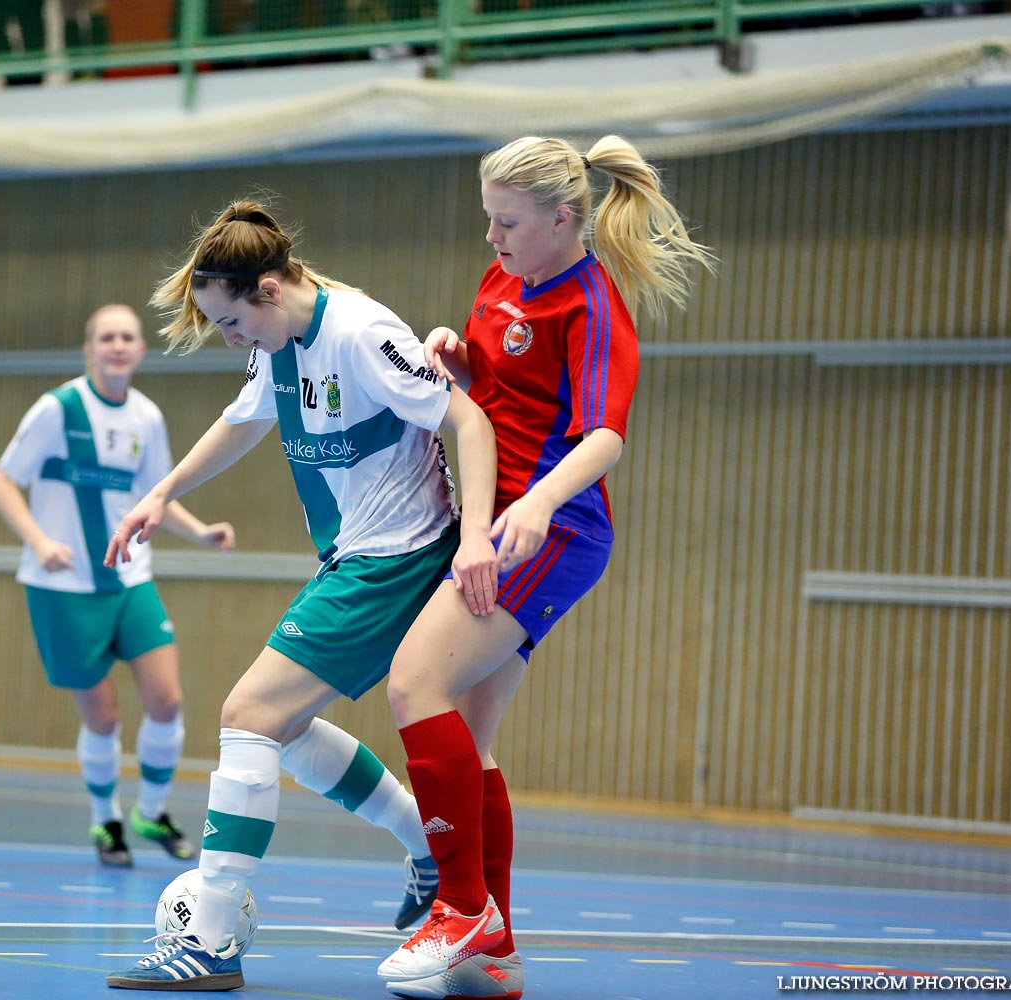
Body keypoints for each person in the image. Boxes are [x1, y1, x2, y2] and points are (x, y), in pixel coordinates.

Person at [103, 199, 500, 991]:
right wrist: (163, 492)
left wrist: (480, 537)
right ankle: (425, 849)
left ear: (271, 290)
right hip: (352, 559)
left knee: (248, 715)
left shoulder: (357, 333)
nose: (230, 338)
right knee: (274, 728)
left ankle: (209, 937)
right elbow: (241, 420)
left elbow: (470, 420)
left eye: (231, 322)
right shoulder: (275, 343)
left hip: (398, 559)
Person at [375, 135, 714, 1000]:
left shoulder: (593, 303)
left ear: (565, 219)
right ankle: (497, 953)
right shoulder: (504, 276)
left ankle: (461, 910)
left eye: (508, 223)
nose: (492, 240)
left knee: (415, 685)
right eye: (487, 221)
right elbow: (510, 391)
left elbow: (602, 432)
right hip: (497, 523)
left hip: (549, 531)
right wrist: (462, 362)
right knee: (471, 742)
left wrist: (530, 507)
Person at [0, 303, 236, 868]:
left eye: (127, 336)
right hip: (65, 588)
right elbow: (2, 483)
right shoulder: (58, 409)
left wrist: (200, 533)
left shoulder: (146, 417)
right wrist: (40, 542)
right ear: (90, 349)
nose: (118, 345)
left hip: (129, 579)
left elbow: (156, 495)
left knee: (167, 700)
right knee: (102, 717)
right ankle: (106, 822)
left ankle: (151, 810)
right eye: (107, 337)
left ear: (140, 349)